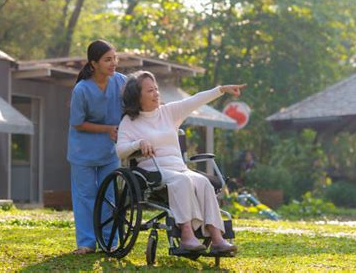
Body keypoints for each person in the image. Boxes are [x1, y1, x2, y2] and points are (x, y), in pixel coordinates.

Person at [116, 71, 245, 253]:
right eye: (150, 90)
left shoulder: (168, 112)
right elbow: (120, 150)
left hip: (178, 168)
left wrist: (221, 89)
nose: (156, 93)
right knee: (182, 181)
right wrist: (138, 143)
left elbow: (195, 100)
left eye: (156, 89)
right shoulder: (130, 122)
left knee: (203, 182)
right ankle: (186, 235)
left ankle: (216, 238)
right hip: (152, 171)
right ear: (137, 96)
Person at [67, 40, 126, 254]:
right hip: (82, 151)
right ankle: (86, 242)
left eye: (115, 58)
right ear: (93, 63)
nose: (113, 63)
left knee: (109, 196)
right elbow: (77, 123)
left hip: (109, 151)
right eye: (107, 60)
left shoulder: (121, 82)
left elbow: (135, 101)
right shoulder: (81, 90)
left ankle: (109, 241)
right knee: (85, 196)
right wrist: (107, 129)